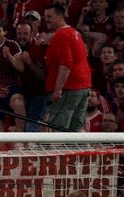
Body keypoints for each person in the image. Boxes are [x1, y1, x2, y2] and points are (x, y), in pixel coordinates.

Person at [43, 4, 92, 132]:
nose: (46, 19)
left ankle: (58, 152)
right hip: (83, 87)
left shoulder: (62, 35)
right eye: (45, 16)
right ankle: (81, 152)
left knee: (58, 129)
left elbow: (66, 64)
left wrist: (57, 89)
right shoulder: (74, 32)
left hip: (68, 89)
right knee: (77, 129)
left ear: (60, 17)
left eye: (49, 16)